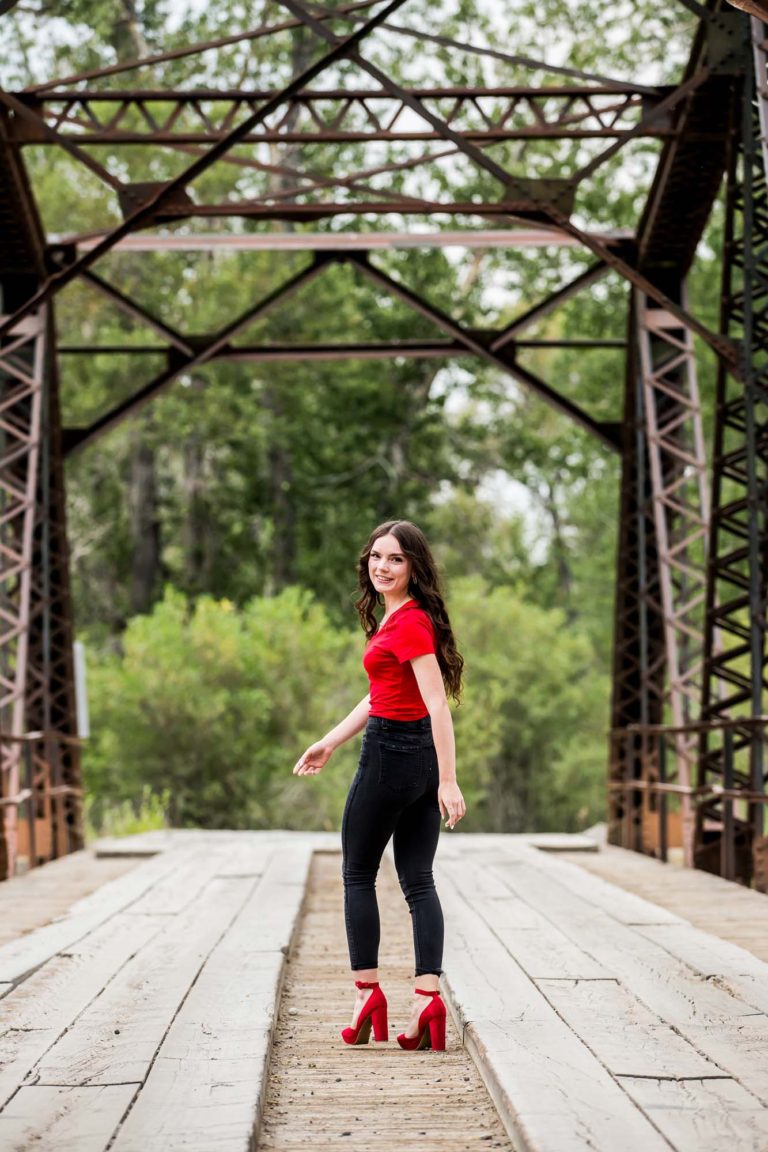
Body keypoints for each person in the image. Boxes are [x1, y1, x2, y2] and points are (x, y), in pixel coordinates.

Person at [294, 519, 466, 1051]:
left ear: (414, 566)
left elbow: (438, 702)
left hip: (392, 756)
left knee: (357, 874)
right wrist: (329, 741)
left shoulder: (409, 623)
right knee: (418, 879)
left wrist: (452, 781)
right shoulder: (400, 620)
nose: (382, 567)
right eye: (376, 557)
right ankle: (427, 1002)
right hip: (414, 757)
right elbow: (379, 695)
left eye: (395, 559)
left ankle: (366, 994)